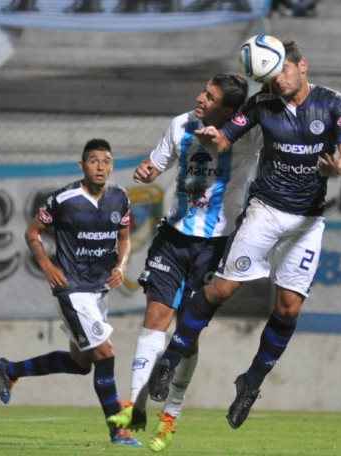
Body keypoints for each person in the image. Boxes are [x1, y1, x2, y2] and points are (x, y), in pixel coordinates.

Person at [148, 38, 341, 429]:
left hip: (308, 221)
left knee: (289, 308)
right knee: (222, 289)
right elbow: (228, 135)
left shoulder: (333, 102)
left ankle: (251, 382)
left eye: (283, 71)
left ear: (301, 66)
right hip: (266, 210)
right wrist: (215, 139)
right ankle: (171, 358)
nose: (277, 80)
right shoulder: (262, 104)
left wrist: (338, 166)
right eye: (270, 74)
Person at [106, 73, 260, 452]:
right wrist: (148, 169)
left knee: (185, 335)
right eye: (203, 92)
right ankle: (133, 406)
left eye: (209, 97)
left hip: (214, 246)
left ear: (229, 110)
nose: (199, 98)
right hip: (173, 237)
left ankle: (170, 415)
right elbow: (156, 163)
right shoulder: (181, 125)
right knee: (154, 318)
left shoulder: (250, 135)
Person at [0, 138, 141, 447]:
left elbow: (125, 236)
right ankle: (118, 429)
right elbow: (32, 232)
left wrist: (122, 264)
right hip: (72, 290)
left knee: (80, 364)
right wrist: (47, 265)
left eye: (106, 161)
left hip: (99, 290)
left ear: (111, 166)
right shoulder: (64, 199)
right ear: (82, 165)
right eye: (93, 161)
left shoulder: (120, 197)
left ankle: (10, 370)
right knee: (105, 353)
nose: (100, 167)